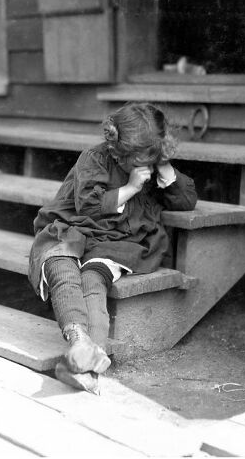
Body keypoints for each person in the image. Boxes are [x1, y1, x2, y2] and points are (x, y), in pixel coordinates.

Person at [28, 102, 198, 394]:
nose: (145, 162)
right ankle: (79, 340)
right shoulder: (94, 158)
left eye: (152, 154)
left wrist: (165, 166)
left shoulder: (153, 162)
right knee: (59, 261)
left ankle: (86, 360)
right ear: (118, 148)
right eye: (139, 157)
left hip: (121, 241)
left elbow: (185, 200)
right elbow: (89, 206)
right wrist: (131, 187)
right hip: (78, 225)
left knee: (92, 278)